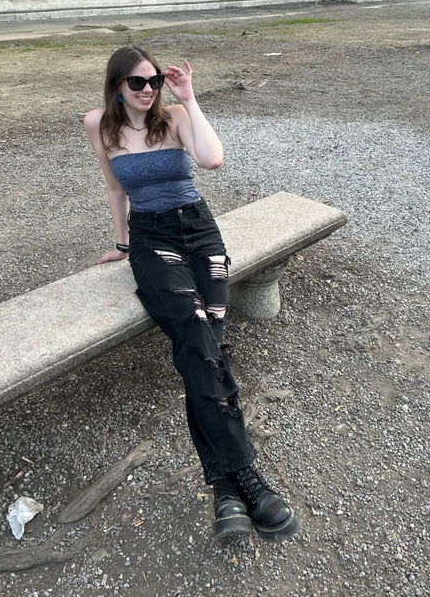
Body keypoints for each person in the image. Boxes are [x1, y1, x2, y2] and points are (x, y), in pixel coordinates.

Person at [84, 45, 300, 542]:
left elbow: (212, 159)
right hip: (151, 239)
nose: (147, 90)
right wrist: (122, 244)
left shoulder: (177, 116)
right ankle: (244, 477)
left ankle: (225, 488)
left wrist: (190, 97)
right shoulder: (99, 124)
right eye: (137, 82)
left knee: (206, 345)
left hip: (200, 232)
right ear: (117, 85)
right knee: (197, 334)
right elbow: (115, 188)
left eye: (154, 81)